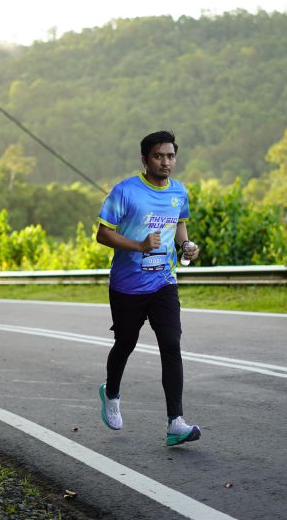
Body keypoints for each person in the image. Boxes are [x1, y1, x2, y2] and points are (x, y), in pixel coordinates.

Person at [96, 130, 201, 446]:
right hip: (127, 286)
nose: (165, 162)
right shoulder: (125, 191)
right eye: (158, 156)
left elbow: (179, 222)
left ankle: (175, 423)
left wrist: (186, 244)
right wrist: (139, 245)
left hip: (163, 282)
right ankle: (111, 392)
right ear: (145, 159)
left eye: (170, 156)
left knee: (171, 343)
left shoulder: (179, 191)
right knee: (125, 342)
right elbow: (103, 234)